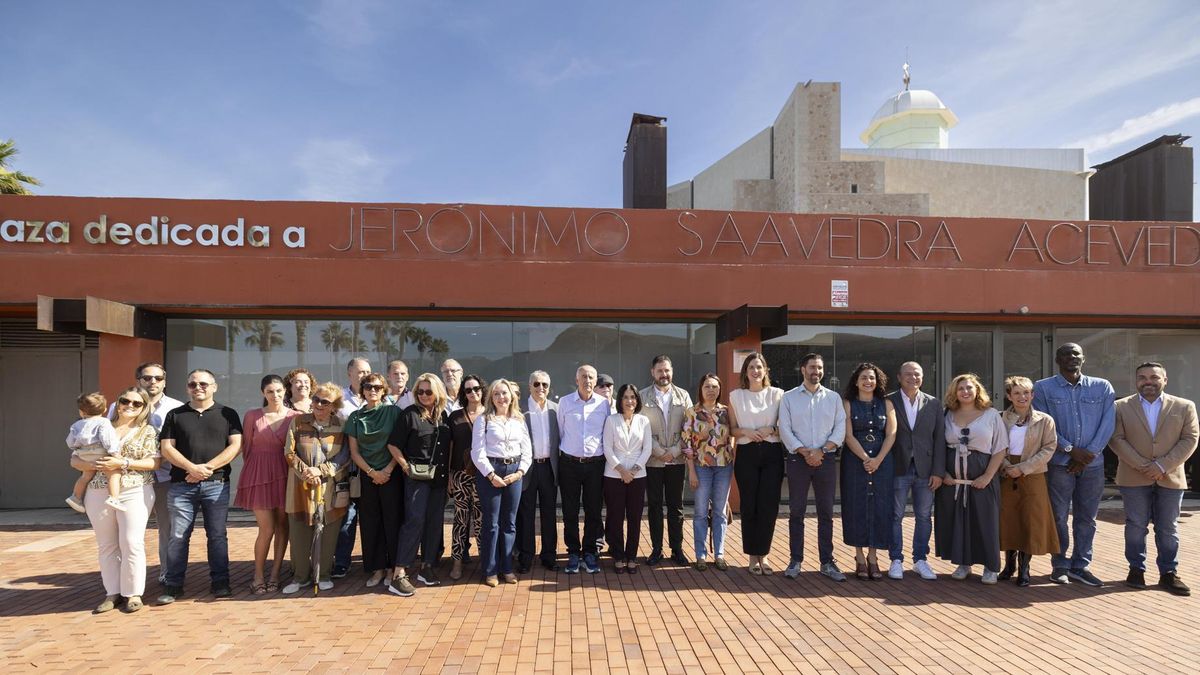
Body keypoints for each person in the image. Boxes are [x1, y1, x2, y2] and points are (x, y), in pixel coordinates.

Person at [1110, 362, 1198, 596]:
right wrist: (1144, 466)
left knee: (1168, 527)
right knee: (1136, 526)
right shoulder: (1120, 407)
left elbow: (1190, 439)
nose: (1148, 382)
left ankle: (1169, 573)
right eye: (1142, 378)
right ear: (1136, 381)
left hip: (1170, 477)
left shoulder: (1185, 406)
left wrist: (1162, 465)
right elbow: (1116, 439)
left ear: (1165, 380)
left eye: (1154, 377)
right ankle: (1136, 570)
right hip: (1133, 477)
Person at [157, 369, 244, 604]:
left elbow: (235, 446)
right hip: (181, 486)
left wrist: (206, 468)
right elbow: (166, 448)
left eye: (204, 384)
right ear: (187, 388)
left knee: (217, 535)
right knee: (177, 536)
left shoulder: (228, 414)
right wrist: (191, 469)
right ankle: (173, 585)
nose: (198, 388)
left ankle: (221, 583)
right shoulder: (175, 415)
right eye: (193, 384)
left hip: (217, 484)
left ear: (214, 386)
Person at [1032, 343, 1115, 587]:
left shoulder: (1102, 387)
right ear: (1057, 359)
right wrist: (1071, 451)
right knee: (1058, 516)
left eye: (1076, 353)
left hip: (1093, 465)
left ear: (1083, 358)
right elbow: (1044, 424)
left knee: (1087, 518)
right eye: (1066, 354)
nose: (1072, 357)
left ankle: (1081, 565)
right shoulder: (1043, 388)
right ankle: (1059, 565)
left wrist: (1088, 455)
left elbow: (1108, 423)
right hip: (1059, 464)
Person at [71, 387, 160, 613]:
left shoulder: (147, 431)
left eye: (136, 403)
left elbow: (154, 463)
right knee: (107, 544)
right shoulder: (98, 424)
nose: (129, 406)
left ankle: (133, 594)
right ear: (117, 402)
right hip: (98, 490)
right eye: (125, 401)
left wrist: (122, 464)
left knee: (132, 542)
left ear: (144, 407)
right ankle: (112, 593)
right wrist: (92, 465)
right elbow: (74, 459)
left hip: (134, 489)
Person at [108, 362, 183, 586]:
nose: (153, 382)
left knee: (168, 530)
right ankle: (123, 579)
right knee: (124, 532)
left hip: (165, 478)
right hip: (126, 480)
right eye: (147, 378)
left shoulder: (176, 407)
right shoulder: (119, 406)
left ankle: (167, 574)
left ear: (165, 382)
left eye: (158, 378)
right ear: (138, 380)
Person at [778, 353, 846, 582]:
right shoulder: (788, 398)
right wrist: (805, 452)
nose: (816, 371)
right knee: (796, 512)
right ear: (803, 369)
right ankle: (795, 560)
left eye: (819, 367)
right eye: (812, 367)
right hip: (798, 460)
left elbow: (840, 428)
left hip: (825, 459)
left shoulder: (834, 398)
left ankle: (827, 561)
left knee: (826, 512)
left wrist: (822, 450)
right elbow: (784, 429)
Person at [936, 373, 1008, 584]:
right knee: (958, 523)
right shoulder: (946, 414)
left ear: (977, 390)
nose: (965, 392)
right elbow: (938, 445)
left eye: (969, 388)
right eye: (961, 389)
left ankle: (990, 566)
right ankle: (963, 563)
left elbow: (1000, 448)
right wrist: (944, 473)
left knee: (985, 522)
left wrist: (987, 476)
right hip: (953, 483)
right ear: (954, 392)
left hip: (982, 482)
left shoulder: (991, 414)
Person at [386, 373, 452, 597]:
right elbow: (393, 445)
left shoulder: (443, 417)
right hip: (416, 479)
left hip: (439, 479)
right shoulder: (409, 415)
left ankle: (427, 566)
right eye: (420, 392)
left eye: (428, 391)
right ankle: (399, 573)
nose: (424, 395)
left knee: (434, 522)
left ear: (437, 393)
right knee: (414, 520)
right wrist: (405, 467)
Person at [281, 382, 350, 594]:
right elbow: (289, 452)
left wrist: (322, 470)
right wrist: (306, 472)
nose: (318, 404)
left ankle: (324, 575)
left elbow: (345, 455)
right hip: (300, 488)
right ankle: (300, 577)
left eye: (324, 402)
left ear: (334, 405)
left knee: (328, 533)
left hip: (330, 487)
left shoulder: (341, 425)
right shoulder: (298, 422)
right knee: (299, 532)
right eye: (316, 399)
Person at [234, 375, 298, 594]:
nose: (275, 395)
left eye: (279, 391)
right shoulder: (252, 415)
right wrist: (256, 472)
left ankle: (274, 576)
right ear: (263, 393)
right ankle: (258, 576)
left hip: (285, 475)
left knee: (283, 527)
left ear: (285, 391)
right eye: (270, 391)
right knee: (267, 528)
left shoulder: (296, 417)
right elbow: (247, 448)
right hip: (258, 475)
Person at [885, 362, 945, 581]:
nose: (913, 378)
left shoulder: (934, 403)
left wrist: (938, 471)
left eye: (917, 374)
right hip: (897, 467)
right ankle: (896, 559)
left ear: (923, 377)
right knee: (896, 515)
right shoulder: (888, 401)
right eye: (908, 374)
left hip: (926, 470)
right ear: (899, 377)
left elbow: (939, 440)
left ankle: (920, 559)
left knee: (923, 516)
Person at [998, 376, 1060, 587]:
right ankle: (1009, 566)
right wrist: (1007, 466)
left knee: (1030, 520)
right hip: (1006, 473)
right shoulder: (999, 418)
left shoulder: (1045, 420)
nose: (1022, 397)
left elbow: (1049, 448)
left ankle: (1025, 569)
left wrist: (1023, 468)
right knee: (1009, 519)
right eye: (1016, 393)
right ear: (1009, 396)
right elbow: (993, 445)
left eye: (1026, 392)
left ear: (1032, 395)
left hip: (1033, 474)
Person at [472, 379, 532, 587]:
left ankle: (507, 568)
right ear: (491, 397)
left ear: (511, 396)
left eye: (504, 393)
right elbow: (477, 452)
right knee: (491, 523)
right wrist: (491, 475)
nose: (501, 397)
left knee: (510, 523)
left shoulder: (519, 419)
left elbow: (527, 450)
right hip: (491, 472)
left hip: (514, 472)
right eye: (496, 394)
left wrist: (520, 472)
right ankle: (490, 570)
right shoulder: (484, 419)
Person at [840, 363, 897, 580]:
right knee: (856, 505)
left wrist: (878, 459)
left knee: (879, 506)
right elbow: (848, 435)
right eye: (863, 377)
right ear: (856, 381)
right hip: (855, 461)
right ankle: (859, 556)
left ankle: (873, 557)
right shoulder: (848, 404)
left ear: (878, 381)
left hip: (883, 461)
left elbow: (891, 433)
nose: (868, 381)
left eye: (872, 378)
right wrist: (866, 458)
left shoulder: (887, 403)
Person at [728, 352, 784, 575]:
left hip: (772, 452)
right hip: (747, 453)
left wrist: (770, 429)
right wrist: (746, 431)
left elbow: (786, 427)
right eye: (751, 367)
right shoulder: (736, 396)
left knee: (768, 506)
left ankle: (765, 555)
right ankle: (752, 555)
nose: (755, 371)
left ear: (765, 370)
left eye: (759, 367)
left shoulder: (778, 395)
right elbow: (732, 429)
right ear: (745, 372)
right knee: (749, 505)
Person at [346, 371, 403, 588]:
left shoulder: (394, 413)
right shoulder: (355, 417)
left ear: (384, 390)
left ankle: (392, 569)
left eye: (377, 387)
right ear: (362, 390)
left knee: (392, 522)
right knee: (370, 524)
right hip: (367, 476)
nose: (372, 390)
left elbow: (399, 446)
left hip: (392, 474)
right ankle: (377, 569)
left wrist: (387, 470)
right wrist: (372, 473)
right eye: (368, 386)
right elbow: (354, 452)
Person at [640, 355, 693, 567]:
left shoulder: (684, 396)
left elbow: (689, 428)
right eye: (660, 371)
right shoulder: (643, 397)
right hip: (653, 462)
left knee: (676, 507)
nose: (664, 375)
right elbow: (641, 430)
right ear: (652, 372)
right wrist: (658, 451)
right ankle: (656, 549)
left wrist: (673, 450)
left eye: (667, 371)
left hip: (676, 461)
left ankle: (677, 549)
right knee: (654, 507)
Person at [558, 364, 610, 574]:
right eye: (584, 377)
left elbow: (607, 433)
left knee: (593, 510)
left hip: (595, 465)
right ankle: (572, 552)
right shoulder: (565, 402)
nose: (587, 381)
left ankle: (589, 552)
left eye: (591, 377)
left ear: (595, 380)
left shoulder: (603, 405)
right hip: (569, 464)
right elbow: (561, 431)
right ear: (576, 379)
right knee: (570, 511)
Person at [683, 373, 735, 571]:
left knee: (721, 512)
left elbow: (733, 434)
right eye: (707, 386)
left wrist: (731, 452)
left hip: (723, 467)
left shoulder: (726, 412)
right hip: (701, 468)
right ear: (701, 389)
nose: (711, 390)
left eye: (715, 386)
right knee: (700, 512)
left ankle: (720, 554)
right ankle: (700, 555)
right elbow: (686, 444)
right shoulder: (692, 412)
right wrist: (692, 472)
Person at [603, 384, 652, 573]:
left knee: (634, 517)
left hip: (638, 476)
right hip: (614, 474)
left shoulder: (643, 421)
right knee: (615, 516)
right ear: (620, 400)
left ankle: (631, 556)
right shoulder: (611, 420)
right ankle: (618, 555)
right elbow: (607, 447)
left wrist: (634, 470)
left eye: (633, 397)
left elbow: (647, 448)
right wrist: (622, 470)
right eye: (625, 397)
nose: (630, 401)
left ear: (637, 400)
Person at [517, 370, 560, 573]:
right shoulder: (518, 409)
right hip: (527, 469)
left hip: (548, 468)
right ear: (529, 386)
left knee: (549, 514)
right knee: (526, 515)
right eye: (536, 384)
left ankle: (549, 556)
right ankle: (526, 557)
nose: (541, 388)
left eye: (544, 385)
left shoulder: (556, 409)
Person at [332, 357, 371, 579]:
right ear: (349, 373)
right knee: (347, 516)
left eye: (367, 371)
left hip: (373, 467)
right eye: (360, 371)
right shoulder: (340, 400)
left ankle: (371, 560)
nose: (364, 375)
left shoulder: (377, 397)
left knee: (371, 516)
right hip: (347, 466)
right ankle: (342, 562)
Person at [447, 374, 486, 580]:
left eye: (477, 388)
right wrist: (449, 476)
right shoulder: (455, 416)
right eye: (469, 390)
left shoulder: (490, 415)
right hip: (461, 475)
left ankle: (485, 563)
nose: (473, 393)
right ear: (464, 393)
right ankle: (457, 562)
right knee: (460, 520)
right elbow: (449, 447)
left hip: (483, 476)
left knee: (481, 521)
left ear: (482, 390)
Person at [66, 392, 123, 513]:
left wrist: (77, 449)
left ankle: (75, 497)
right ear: (105, 409)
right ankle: (114, 498)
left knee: (85, 476)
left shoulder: (76, 424)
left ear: (81, 412)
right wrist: (115, 453)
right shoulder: (103, 422)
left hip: (83, 454)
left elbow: (70, 441)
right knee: (114, 474)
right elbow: (107, 439)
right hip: (100, 452)